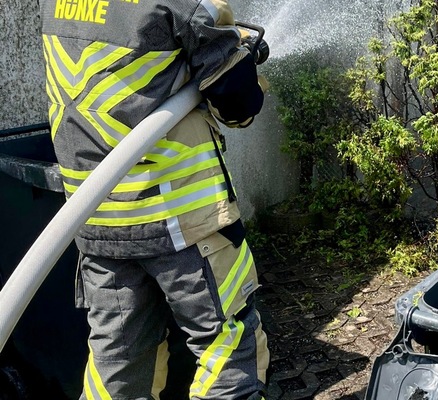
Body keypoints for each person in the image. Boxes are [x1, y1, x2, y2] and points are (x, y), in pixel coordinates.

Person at [40, 0, 270, 398]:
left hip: (96, 223)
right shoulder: (185, 5)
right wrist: (243, 56)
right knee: (227, 349)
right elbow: (237, 105)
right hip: (181, 219)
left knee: (119, 363)